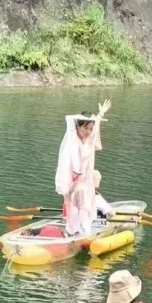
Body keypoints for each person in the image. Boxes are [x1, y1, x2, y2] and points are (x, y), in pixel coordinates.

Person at [55, 100, 111, 236]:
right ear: (78, 126)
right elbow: (69, 160)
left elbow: (95, 130)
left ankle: (83, 228)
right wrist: (76, 174)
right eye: (85, 128)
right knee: (77, 200)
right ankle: (75, 229)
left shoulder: (88, 141)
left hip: (84, 177)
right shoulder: (72, 140)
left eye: (90, 129)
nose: (89, 131)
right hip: (72, 178)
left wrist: (101, 113)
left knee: (85, 201)